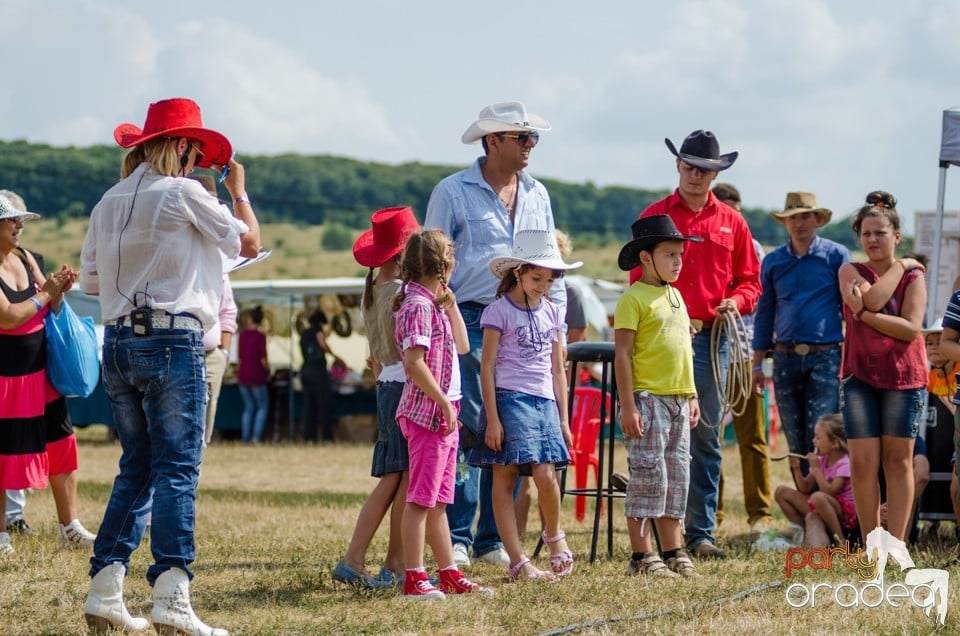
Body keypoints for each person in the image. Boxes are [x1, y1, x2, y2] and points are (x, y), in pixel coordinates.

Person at [80, 97, 260, 634]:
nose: (199, 160)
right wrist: (237, 191)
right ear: (180, 146)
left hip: (116, 341)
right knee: (178, 470)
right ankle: (172, 596)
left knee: (137, 466)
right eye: (197, 150)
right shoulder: (185, 192)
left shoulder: (108, 200)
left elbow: (91, 281)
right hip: (174, 339)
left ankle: (105, 587)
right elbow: (249, 240)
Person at [424, 101, 565, 568]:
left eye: (533, 138)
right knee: (470, 426)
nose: (530, 146)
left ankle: (491, 540)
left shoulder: (539, 195)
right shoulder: (451, 190)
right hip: (467, 316)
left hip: (527, 318)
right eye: (521, 138)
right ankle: (460, 538)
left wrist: (555, 324)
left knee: (512, 434)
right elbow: (430, 260)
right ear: (492, 141)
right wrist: (440, 321)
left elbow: (551, 266)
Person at [630, 130, 761, 558]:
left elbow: (750, 281)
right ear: (677, 166)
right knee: (657, 437)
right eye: (689, 167)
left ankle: (699, 532)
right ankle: (659, 535)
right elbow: (637, 279)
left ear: (715, 172)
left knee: (702, 437)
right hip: (662, 339)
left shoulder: (732, 222)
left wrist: (735, 302)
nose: (696, 175)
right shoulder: (655, 216)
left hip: (710, 336)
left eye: (704, 169)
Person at [469, 229, 578, 581]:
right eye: (536, 278)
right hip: (508, 398)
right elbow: (486, 366)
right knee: (506, 475)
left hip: (543, 400)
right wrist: (493, 419)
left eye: (548, 280)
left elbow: (557, 369)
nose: (542, 286)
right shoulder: (498, 312)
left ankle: (554, 537)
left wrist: (563, 418)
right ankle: (518, 561)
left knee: (547, 474)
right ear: (517, 272)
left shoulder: (552, 312)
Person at [393, 230, 489, 599]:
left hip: (445, 413)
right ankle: (414, 576)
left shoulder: (433, 304)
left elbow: (463, 345)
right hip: (429, 415)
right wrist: (444, 402)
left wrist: (449, 303)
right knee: (421, 499)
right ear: (444, 265)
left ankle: (447, 570)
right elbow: (414, 362)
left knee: (439, 501)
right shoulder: (417, 306)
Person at [0, 190, 96, 555]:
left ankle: (68, 526)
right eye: (11, 220)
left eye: (19, 220)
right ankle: (1, 536)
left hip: (42, 374)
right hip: (7, 379)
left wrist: (59, 291)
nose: (18, 226)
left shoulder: (25, 257)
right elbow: (8, 316)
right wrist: (45, 295)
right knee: (4, 455)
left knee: (62, 445)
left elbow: (47, 297)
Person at [333, 206, 419, 589]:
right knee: (400, 481)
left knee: (392, 478)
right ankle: (388, 563)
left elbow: (373, 357)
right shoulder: (404, 294)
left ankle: (369, 560)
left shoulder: (371, 291)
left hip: (386, 385)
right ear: (405, 254)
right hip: (404, 387)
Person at [615, 215, 702, 578]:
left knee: (676, 476)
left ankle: (672, 549)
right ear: (646, 257)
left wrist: (692, 395)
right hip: (648, 399)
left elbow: (685, 351)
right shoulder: (633, 299)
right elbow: (622, 354)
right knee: (649, 476)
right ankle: (642, 555)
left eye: (680, 254)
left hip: (679, 400)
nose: (678, 261)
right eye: (670, 254)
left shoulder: (676, 296)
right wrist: (629, 404)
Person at [837, 190, 925, 544]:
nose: (872, 239)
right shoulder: (850, 270)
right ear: (859, 237)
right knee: (862, 463)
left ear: (896, 237)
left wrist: (863, 314)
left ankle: (898, 544)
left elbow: (911, 328)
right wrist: (903, 264)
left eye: (880, 233)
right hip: (859, 375)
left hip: (904, 378)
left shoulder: (913, 277)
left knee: (898, 461)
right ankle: (871, 542)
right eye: (866, 233)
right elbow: (874, 298)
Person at [751, 192, 851, 482]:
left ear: (817, 219)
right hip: (784, 356)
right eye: (793, 218)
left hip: (826, 355)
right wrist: (757, 365)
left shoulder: (836, 256)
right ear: (785, 223)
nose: (800, 223)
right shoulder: (773, 261)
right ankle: (806, 510)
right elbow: (764, 314)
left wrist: (849, 358)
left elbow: (850, 310)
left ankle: (825, 506)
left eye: (805, 216)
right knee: (795, 440)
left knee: (823, 434)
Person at [514, 229, 584, 538]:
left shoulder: (561, 301)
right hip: (521, 392)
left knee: (546, 471)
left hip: (547, 386)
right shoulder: (504, 309)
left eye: (552, 275)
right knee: (521, 476)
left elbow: (570, 337)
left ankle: (550, 532)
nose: (545, 282)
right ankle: (514, 538)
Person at [711, 183, 772, 533]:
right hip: (712, 349)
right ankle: (711, 511)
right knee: (708, 437)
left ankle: (759, 513)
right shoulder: (705, 247)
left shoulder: (754, 249)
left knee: (753, 437)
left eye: (734, 210)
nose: (729, 216)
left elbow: (763, 309)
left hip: (745, 352)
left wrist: (759, 359)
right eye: (724, 209)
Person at [774, 414, 856, 548]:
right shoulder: (823, 460)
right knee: (781, 492)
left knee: (817, 497)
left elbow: (831, 492)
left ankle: (840, 541)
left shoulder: (844, 463)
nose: (814, 441)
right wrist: (796, 468)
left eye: (818, 437)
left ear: (834, 443)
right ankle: (804, 533)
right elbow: (805, 488)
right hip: (822, 503)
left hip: (844, 513)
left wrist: (816, 468)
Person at [300, 310, 341, 442]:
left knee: (308, 406)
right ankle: (326, 436)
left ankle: (309, 436)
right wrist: (335, 356)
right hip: (317, 372)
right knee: (324, 405)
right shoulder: (318, 331)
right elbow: (323, 345)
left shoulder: (304, 334)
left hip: (305, 371)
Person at [237, 306, 270, 443]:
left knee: (248, 408)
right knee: (262, 406)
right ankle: (255, 437)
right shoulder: (260, 336)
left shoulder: (242, 335)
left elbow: (240, 357)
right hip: (257, 377)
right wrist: (268, 370)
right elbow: (263, 359)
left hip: (243, 375)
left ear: (250, 319)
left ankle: (245, 438)